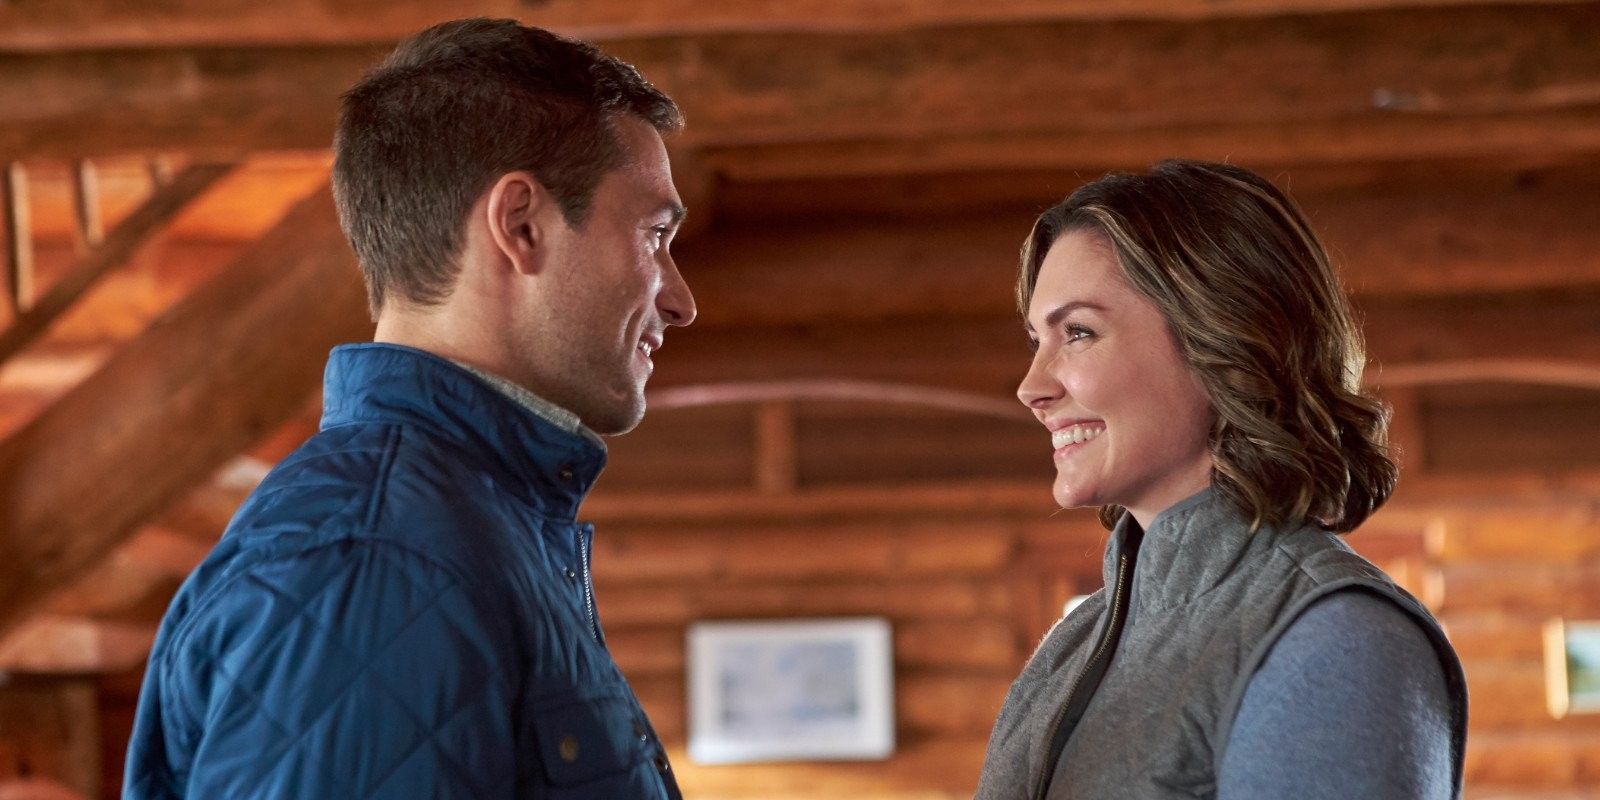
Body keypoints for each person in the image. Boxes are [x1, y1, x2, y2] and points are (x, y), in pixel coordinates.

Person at [124, 18, 695, 799]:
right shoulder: (374, 557)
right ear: (521, 225)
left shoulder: (450, 530)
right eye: (655, 235)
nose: (681, 299)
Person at [975, 160, 1466, 799]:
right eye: (1037, 339)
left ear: (1223, 342)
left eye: (1078, 332)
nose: (1031, 387)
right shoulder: (1074, 644)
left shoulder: (1335, 641)